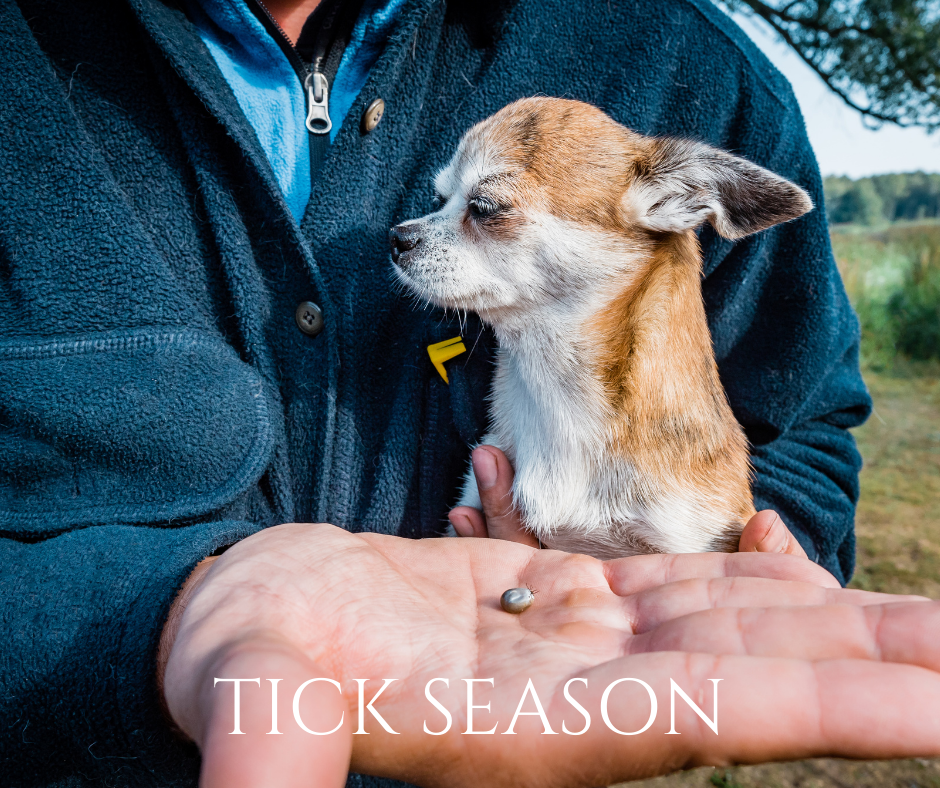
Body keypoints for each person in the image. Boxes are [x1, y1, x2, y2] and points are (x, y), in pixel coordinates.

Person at [3, 0, 931, 786]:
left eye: (484, 210)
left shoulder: (683, 64)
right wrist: (155, 623)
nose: (417, 236)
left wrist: (731, 560)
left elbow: (803, 421)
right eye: (453, 202)